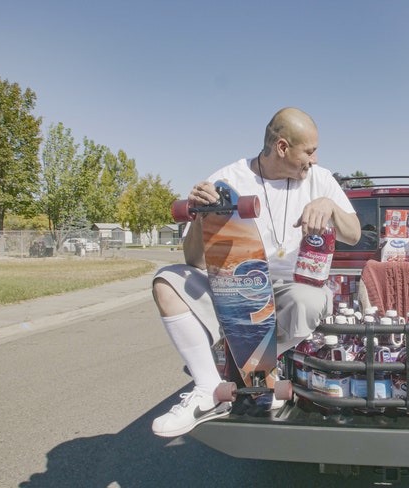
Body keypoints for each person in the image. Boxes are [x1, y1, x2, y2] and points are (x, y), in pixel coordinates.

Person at [150, 107, 361, 437]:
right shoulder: (227, 180)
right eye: (309, 151)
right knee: (167, 282)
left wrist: (330, 206)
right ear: (282, 147)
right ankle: (208, 389)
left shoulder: (319, 179)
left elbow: (355, 234)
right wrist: (201, 215)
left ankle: (256, 368)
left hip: (292, 286)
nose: (315, 159)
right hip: (234, 288)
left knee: (309, 299)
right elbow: (194, 261)